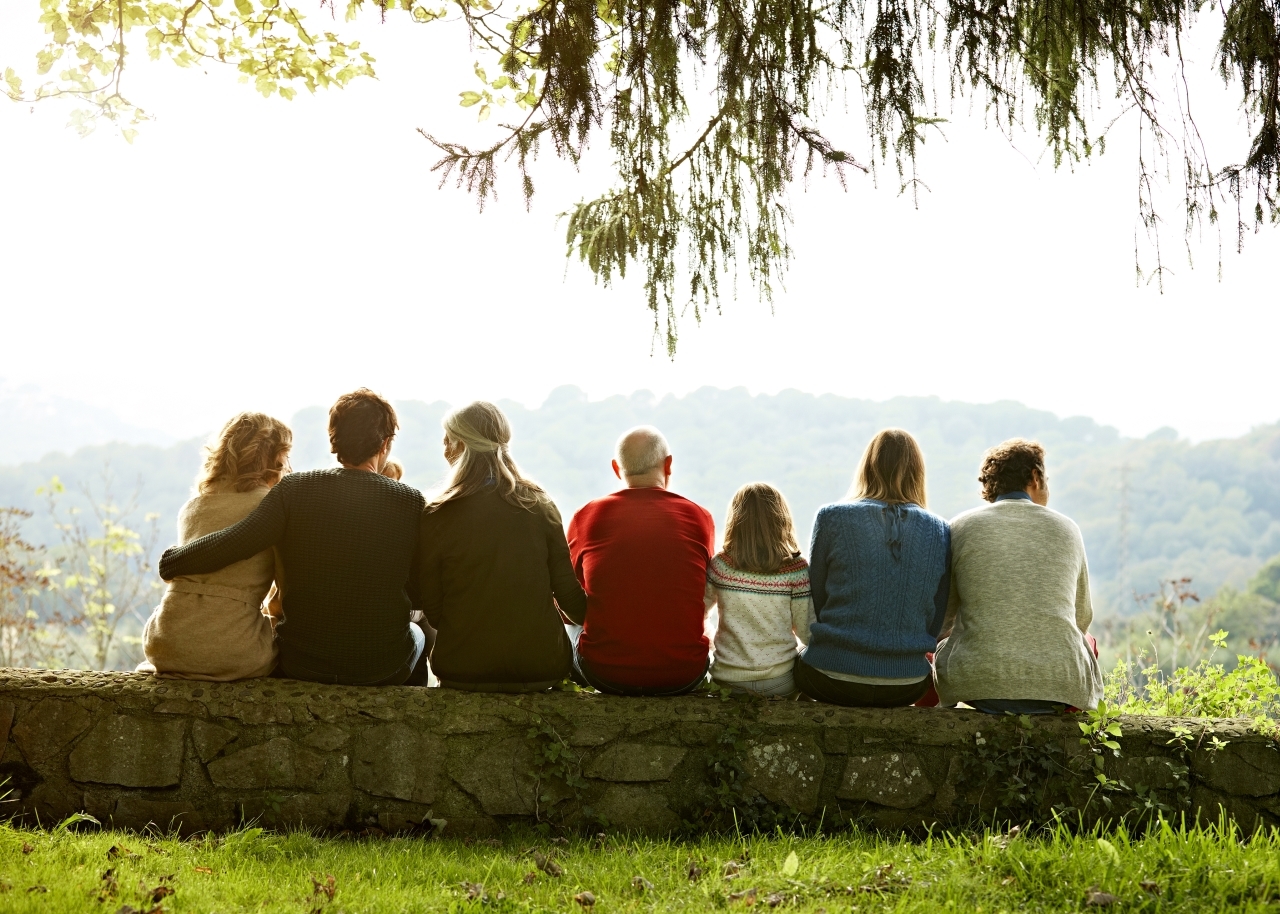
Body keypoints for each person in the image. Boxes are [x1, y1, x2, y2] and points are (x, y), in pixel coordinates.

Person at [158, 389, 429, 686]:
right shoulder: (411, 502)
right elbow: (419, 590)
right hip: (380, 667)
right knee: (418, 633)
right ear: (386, 443)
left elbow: (234, 542)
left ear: (333, 439)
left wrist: (172, 561)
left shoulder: (295, 489)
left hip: (302, 663)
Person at [416, 401, 586, 692]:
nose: (443, 449)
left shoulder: (437, 514)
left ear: (460, 446)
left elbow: (430, 602)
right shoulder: (539, 505)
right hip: (541, 667)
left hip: (462, 668)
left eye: (446, 440)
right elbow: (568, 594)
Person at [933, 438, 1103, 713]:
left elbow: (943, 619)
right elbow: (1081, 618)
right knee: (1088, 641)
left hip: (978, 687)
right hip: (1060, 689)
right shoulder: (1068, 529)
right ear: (1035, 477)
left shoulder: (960, 527)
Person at [795, 428, 951, 707]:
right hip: (908, 684)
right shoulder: (939, 529)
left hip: (830, 677)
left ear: (867, 466)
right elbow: (936, 616)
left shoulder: (831, 517)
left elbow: (816, 598)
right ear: (918, 472)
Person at [137, 413, 290, 681]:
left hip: (165, 642)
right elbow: (284, 589)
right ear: (276, 457)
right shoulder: (272, 507)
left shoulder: (192, 507)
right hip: (235, 650)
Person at [566, 426, 716, 696]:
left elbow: (568, 602)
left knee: (572, 624)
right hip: (683, 673)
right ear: (668, 464)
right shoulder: (699, 517)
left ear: (616, 468)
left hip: (604, 673)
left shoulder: (587, 516)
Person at [706, 483, 813, 697]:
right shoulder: (796, 569)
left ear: (735, 522)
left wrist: (711, 642)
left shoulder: (721, 565)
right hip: (780, 681)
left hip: (727, 680)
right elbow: (806, 633)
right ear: (781, 520)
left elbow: (697, 613)